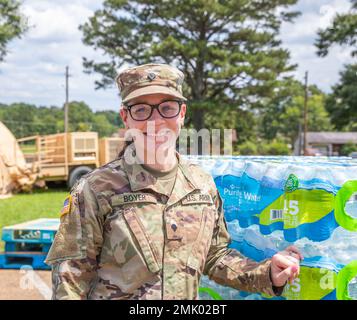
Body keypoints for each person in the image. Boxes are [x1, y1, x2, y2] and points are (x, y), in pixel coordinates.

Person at [46, 63, 303, 300]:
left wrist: (267, 273)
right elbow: (71, 280)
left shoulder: (201, 184)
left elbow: (215, 257)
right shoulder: (95, 190)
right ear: (126, 117)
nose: (155, 121)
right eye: (141, 109)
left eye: (167, 107)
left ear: (182, 113)